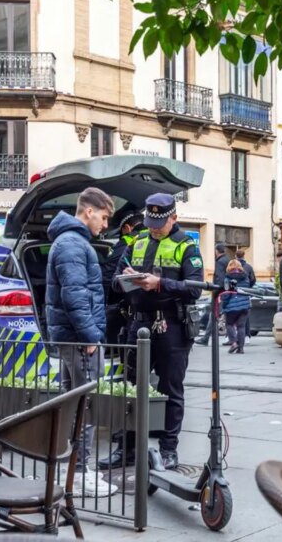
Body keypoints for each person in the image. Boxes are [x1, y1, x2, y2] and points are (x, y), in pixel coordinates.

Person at [98, 193, 203, 471]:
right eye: (150, 221)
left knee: (171, 388)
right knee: (130, 389)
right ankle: (128, 448)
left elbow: (195, 289)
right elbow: (115, 283)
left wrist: (160, 284)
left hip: (172, 327)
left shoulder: (187, 246)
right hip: (138, 324)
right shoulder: (138, 241)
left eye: (160, 222)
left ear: (174, 218)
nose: (154, 227)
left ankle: (169, 449)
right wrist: (128, 279)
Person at [45, 187, 118, 497]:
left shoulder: (70, 242)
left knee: (73, 404)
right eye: (103, 218)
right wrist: (90, 337)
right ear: (89, 211)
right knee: (86, 406)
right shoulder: (73, 244)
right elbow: (74, 296)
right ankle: (81, 473)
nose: (104, 225)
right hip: (79, 340)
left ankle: (70, 469)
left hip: (72, 339)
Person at [101, 212, 147, 345]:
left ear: (127, 228)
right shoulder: (157, 239)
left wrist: (104, 303)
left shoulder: (128, 241)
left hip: (130, 305)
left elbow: (107, 274)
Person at [196, 243, 230, 345]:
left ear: (216, 251)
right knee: (226, 314)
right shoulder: (228, 260)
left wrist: (215, 292)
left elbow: (219, 278)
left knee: (214, 315)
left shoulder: (219, 262)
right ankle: (232, 338)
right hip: (227, 292)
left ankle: (205, 338)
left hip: (219, 293)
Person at [222, 259, 252, 354]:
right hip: (245, 305)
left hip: (231, 306)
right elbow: (248, 289)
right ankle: (241, 348)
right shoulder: (245, 277)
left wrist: (224, 304)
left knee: (229, 324)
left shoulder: (227, 278)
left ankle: (234, 343)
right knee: (241, 327)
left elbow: (227, 294)